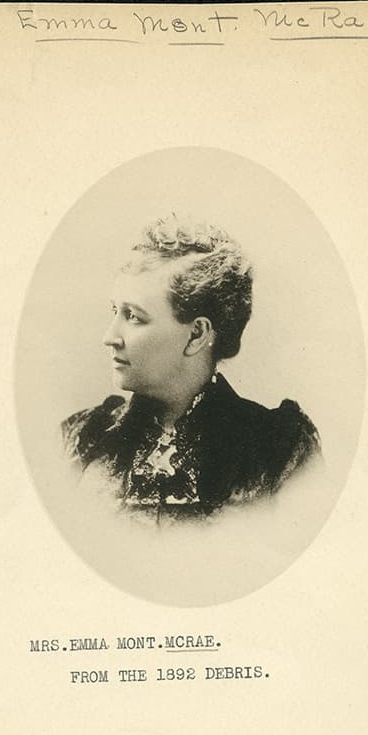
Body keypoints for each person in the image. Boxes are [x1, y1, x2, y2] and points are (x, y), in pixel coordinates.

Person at [62, 214, 321, 524]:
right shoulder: (82, 438)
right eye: (116, 311)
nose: (109, 337)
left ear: (197, 334)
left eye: (134, 317)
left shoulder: (278, 451)